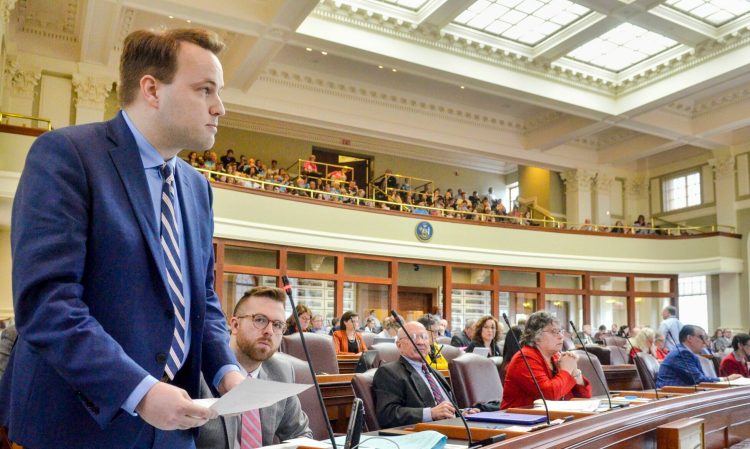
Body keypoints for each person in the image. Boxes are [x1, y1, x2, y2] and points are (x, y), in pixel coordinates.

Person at [0, 28, 247, 448]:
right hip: (78, 427)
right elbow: (47, 304)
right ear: (151, 89)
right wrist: (141, 390)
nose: (219, 107)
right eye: (205, 90)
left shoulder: (197, 187)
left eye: (218, 92)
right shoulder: (67, 155)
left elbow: (200, 298)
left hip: (171, 430)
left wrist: (226, 370)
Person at [197, 287, 313, 448]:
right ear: (235, 325)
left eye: (278, 325)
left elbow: (301, 435)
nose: (269, 331)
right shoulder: (198, 371)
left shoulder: (282, 371)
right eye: (260, 320)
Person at [372, 321, 478, 428]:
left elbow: (444, 407)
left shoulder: (435, 373)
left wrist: (460, 413)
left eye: (424, 337)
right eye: (412, 337)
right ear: (399, 345)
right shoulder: (389, 372)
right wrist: (430, 414)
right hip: (421, 435)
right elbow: (387, 415)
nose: (420, 342)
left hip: (453, 427)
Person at [500, 311, 592, 409]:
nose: (561, 336)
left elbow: (585, 396)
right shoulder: (524, 359)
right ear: (536, 336)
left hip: (552, 418)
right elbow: (549, 396)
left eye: (560, 331)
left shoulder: (556, 357)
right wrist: (566, 371)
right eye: (554, 332)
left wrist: (575, 372)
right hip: (520, 420)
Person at [656, 325, 742, 388]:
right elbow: (698, 379)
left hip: (683, 393)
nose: (704, 342)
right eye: (702, 337)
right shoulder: (682, 353)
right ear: (689, 338)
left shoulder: (687, 352)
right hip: (670, 396)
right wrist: (726, 379)